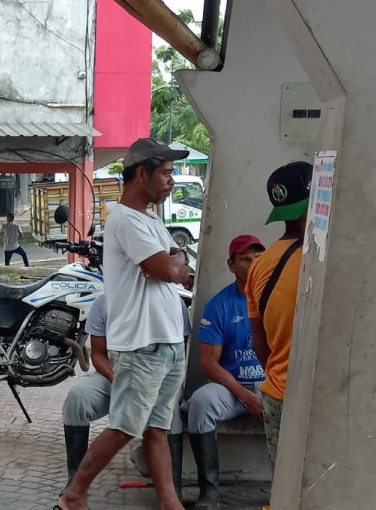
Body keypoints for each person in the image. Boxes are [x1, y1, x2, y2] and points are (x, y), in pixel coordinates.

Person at [59, 138, 190, 510]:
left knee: (157, 429)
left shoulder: (149, 219)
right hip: (142, 342)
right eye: (165, 173)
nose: (172, 181)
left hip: (167, 341)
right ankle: (74, 494)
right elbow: (169, 268)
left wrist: (172, 264)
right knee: (125, 426)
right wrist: (171, 264)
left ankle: (170, 503)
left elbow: (180, 266)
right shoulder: (125, 220)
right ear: (142, 173)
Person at [62, 293, 192, 494]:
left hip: (158, 379)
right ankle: (74, 481)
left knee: (171, 409)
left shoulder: (173, 302)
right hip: (114, 375)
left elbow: (178, 354)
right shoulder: (104, 302)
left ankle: (172, 489)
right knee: (78, 398)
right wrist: (119, 379)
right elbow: (98, 354)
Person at [186, 234, 267, 508]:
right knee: (200, 402)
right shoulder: (219, 305)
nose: (253, 263)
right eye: (246, 258)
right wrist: (245, 395)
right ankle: (209, 492)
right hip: (232, 388)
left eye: (258, 257)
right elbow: (208, 363)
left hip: (271, 384)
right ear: (231, 265)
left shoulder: (277, 298)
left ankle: (289, 487)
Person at [246, 161, 310, 465]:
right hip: (315, 398)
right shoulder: (322, 259)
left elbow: (260, 344)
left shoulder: (259, 264)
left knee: (284, 483)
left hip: (276, 393)